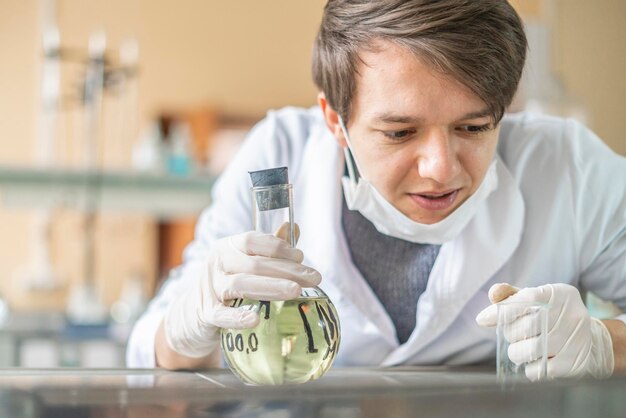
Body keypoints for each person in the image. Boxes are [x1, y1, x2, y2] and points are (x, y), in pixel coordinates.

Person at [127, 0, 626, 379]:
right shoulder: (278, 153)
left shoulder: (569, 167)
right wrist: (184, 330)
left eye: (473, 128)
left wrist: (604, 345)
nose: (439, 169)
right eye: (399, 133)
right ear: (334, 120)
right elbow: (150, 354)